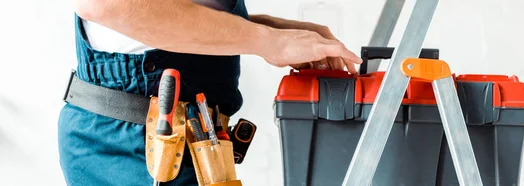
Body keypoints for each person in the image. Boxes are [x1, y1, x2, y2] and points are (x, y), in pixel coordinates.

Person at [58, 0, 362, 185]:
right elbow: (103, 3)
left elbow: (178, 9)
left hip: (183, 140)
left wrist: (272, 31)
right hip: (136, 142)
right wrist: (268, 41)